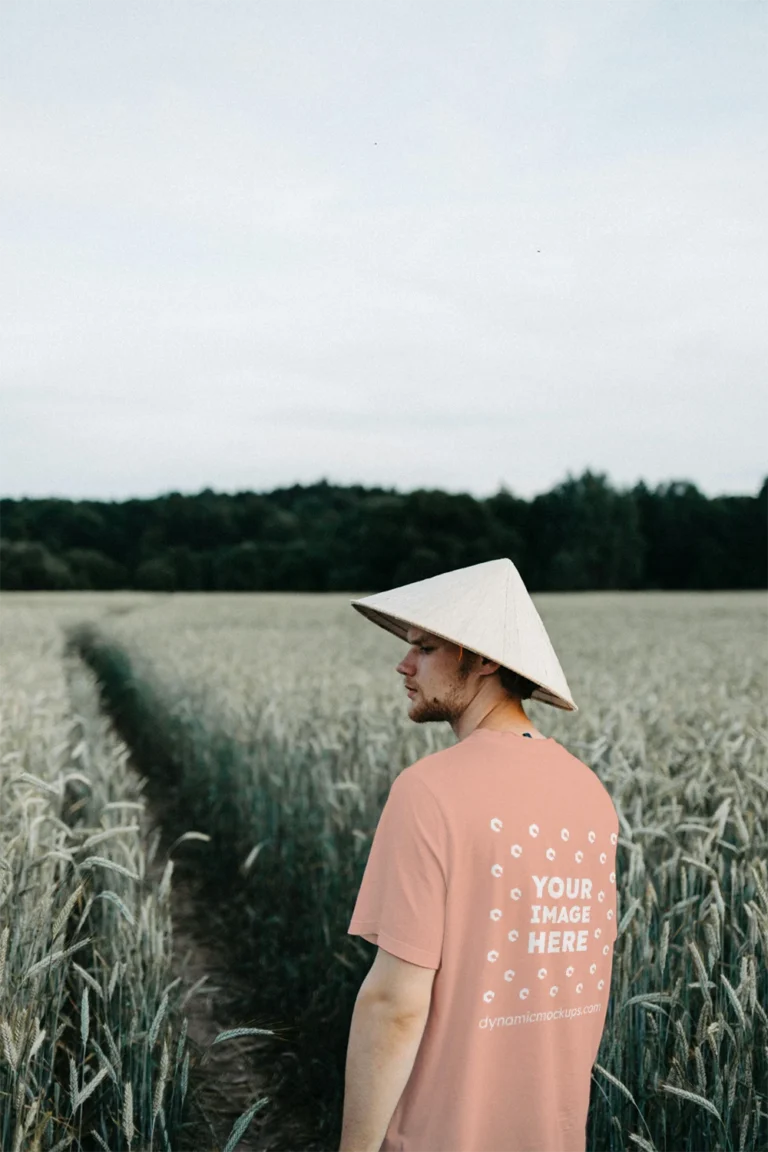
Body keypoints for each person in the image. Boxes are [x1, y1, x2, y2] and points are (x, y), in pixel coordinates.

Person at [340, 558, 619, 1152]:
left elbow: (394, 1004)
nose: (403, 663)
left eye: (425, 647)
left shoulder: (428, 790)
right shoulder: (591, 795)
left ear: (486, 658)